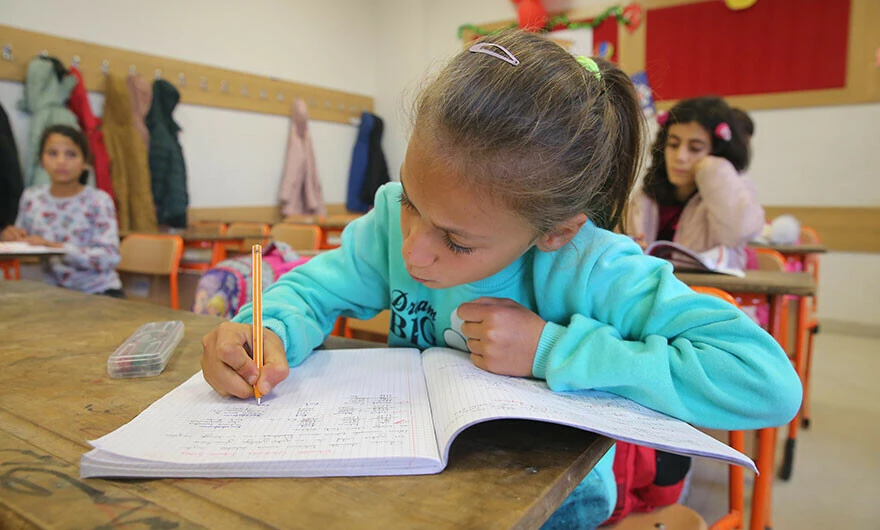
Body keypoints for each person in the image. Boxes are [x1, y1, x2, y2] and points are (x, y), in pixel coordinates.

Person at [201, 32, 800, 529]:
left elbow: (766, 382)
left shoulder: (593, 265)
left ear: (555, 231)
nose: (414, 251)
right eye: (412, 200)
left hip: (555, 510)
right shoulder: (389, 219)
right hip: (410, 489)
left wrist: (551, 348)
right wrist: (265, 329)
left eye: (457, 241)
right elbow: (308, 291)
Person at [628, 96, 765, 270]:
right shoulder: (647, 195)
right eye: (673, 144)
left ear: (717, 152)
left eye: (695, 148)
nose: (680, 157)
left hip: (710, 293)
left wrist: (711, 168)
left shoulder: (732, 186)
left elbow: (740, 233)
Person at [0, 125, 124, 298]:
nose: (61, 161)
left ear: (85, 162)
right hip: (51, 295)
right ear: (41, 160)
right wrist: (11, 238)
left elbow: (109, 258)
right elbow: (23, 247)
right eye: (52, 153)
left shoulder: (98, 200)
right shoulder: (32, 197)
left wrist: (58, 248)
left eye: (71, 154)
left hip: (98, 293)